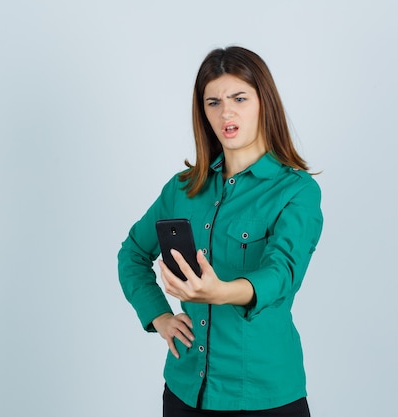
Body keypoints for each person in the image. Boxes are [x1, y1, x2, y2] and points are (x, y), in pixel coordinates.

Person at [118, 46, 323, 417]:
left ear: (264, 103)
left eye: (239, 98)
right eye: (213, 102)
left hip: (264, 397)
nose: (225, 111)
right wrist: (159, 316)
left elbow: (283, 273)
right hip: (185, 391)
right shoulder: (182, 189)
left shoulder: (297, 191)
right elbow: (132, 253)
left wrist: (222, 292)